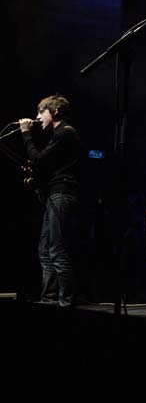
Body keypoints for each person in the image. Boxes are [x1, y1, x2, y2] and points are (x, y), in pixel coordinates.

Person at [19, 94, 81, 308]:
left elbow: (40, 159)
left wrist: (26, 135)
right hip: (55, 194)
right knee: (45, 249)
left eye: (41, 112)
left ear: (53, 112)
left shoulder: (65, 132)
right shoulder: (58, 135)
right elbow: (46, 166)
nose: (37, 117)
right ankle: (49, 300)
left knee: (56, 249)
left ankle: (66, 303)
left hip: (62, 195)